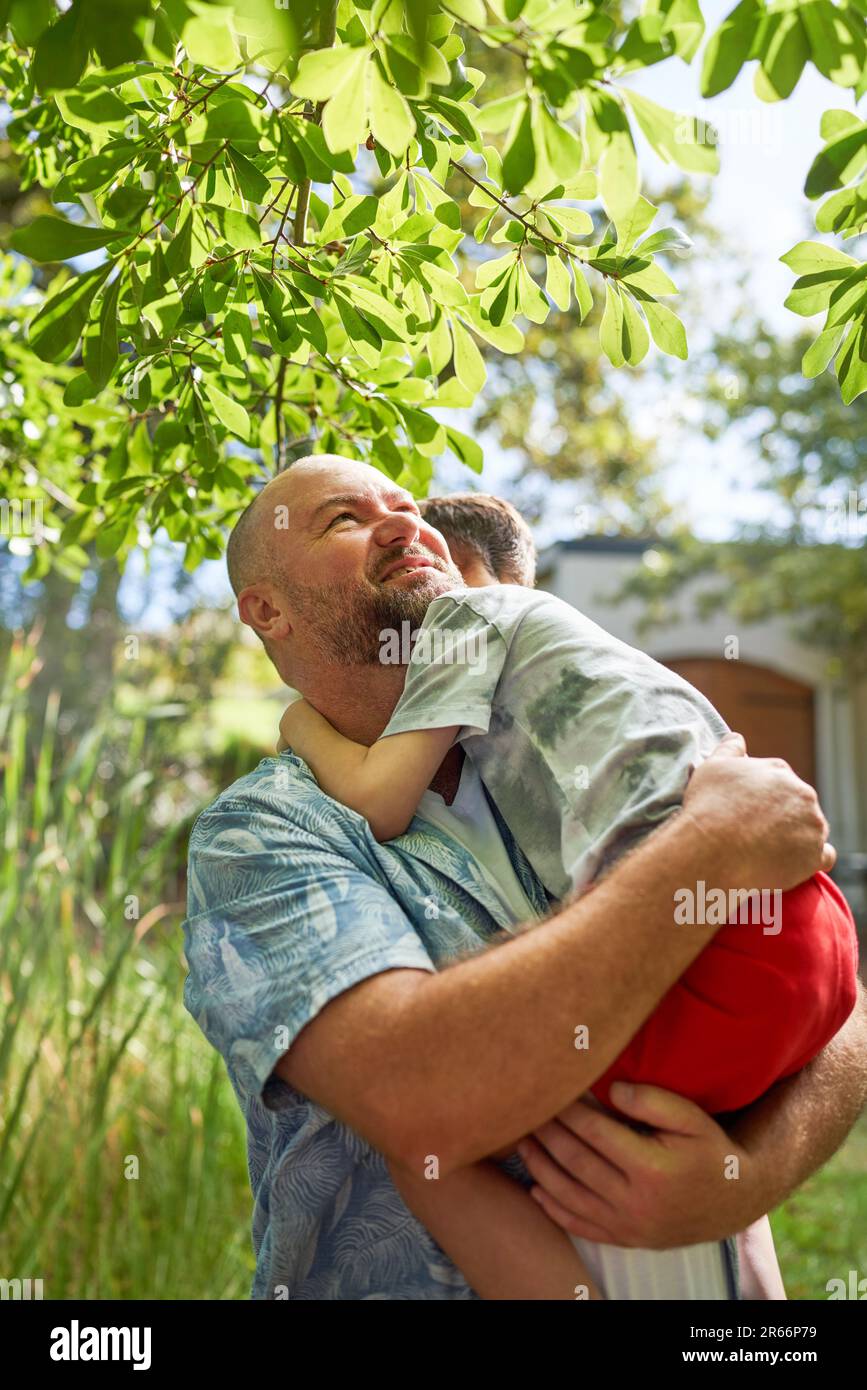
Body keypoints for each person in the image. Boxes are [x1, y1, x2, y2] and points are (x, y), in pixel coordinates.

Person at [182, 454, 867, 1300]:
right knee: (433, 1149)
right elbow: (420, 1098)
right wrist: (714, 847)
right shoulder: (262, 833)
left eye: (407, 506)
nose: (405, 522)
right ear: (266, 609)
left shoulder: (551, 763)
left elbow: (845, 1026)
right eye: (343, 519)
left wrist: (742, 1179)